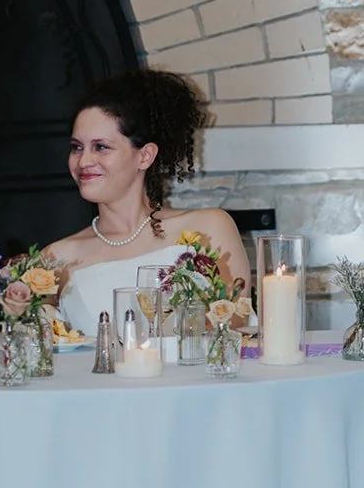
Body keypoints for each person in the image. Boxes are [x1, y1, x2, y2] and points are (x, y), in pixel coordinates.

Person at [45, 68, 249, 338]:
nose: (83, 162)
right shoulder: (56, 258)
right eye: (77, 147)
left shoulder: (209, 228)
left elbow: (236, 329)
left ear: (145, 156)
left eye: (101, 147)